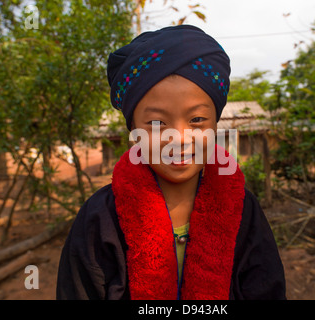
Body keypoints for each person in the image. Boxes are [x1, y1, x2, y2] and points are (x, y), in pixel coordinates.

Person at [56, 25, 286, 300]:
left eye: (197, 120)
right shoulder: (99, 219)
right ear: (133, 130)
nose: (179, 139)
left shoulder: (243, 212)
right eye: (156, 123)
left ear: (216, 124)